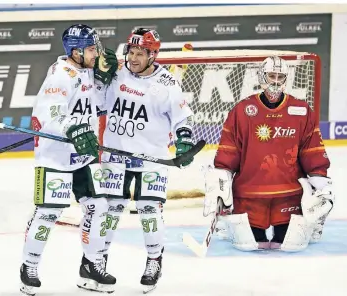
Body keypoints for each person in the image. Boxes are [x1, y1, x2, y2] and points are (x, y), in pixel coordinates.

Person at [87, 28, 194, 292]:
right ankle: (98, 261)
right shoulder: (117, 74)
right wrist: (99, 77)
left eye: (139, 54)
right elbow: (95, 102)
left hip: (151, 159)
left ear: (152, 55)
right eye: (130, 52)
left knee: (148, 211)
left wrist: (184, 142)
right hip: (116, 156)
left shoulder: (167, 85)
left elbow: (183, 118)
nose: (132, 58)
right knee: (110, 210)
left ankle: (154, 260)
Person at [20, 24, 118, 296]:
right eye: (90, 49)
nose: (96, 53)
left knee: (99, 207)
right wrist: (72, 129)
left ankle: (90, 265)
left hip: (83, 156)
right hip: (56, 158)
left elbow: (97, 107)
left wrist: (103, 80)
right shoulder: (59, 75)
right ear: (74, 51)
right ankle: (29, 266)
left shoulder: (86, 71)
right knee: (49, 213)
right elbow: (49, 116)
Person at [204, 56, 334, 252]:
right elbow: (229, 149)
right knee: (249, 245)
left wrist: (319, 179)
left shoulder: (300, 110)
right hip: (249, 195)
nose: (275, 81)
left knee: (289, 246)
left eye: (280, 76)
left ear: (286, 79)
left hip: (289, 195)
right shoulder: (241, 110)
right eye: (271, 75)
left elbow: (312, 148)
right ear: (261, 76)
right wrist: (221, 177)